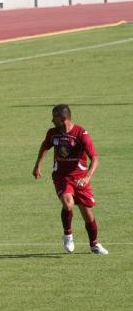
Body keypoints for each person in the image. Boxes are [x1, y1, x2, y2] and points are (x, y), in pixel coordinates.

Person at [32, 104, 108, 255]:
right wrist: (37, 165)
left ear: (63, 118)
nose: (51, 120)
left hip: (80, 178)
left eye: (54, 117)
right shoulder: (52, 133)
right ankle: (68, 235)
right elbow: (45, 146)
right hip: (61, 176)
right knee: (68, 204)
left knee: (88, 214)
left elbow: (95, 158)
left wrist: (87, 177)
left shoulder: (81, 133)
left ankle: (94, 244)